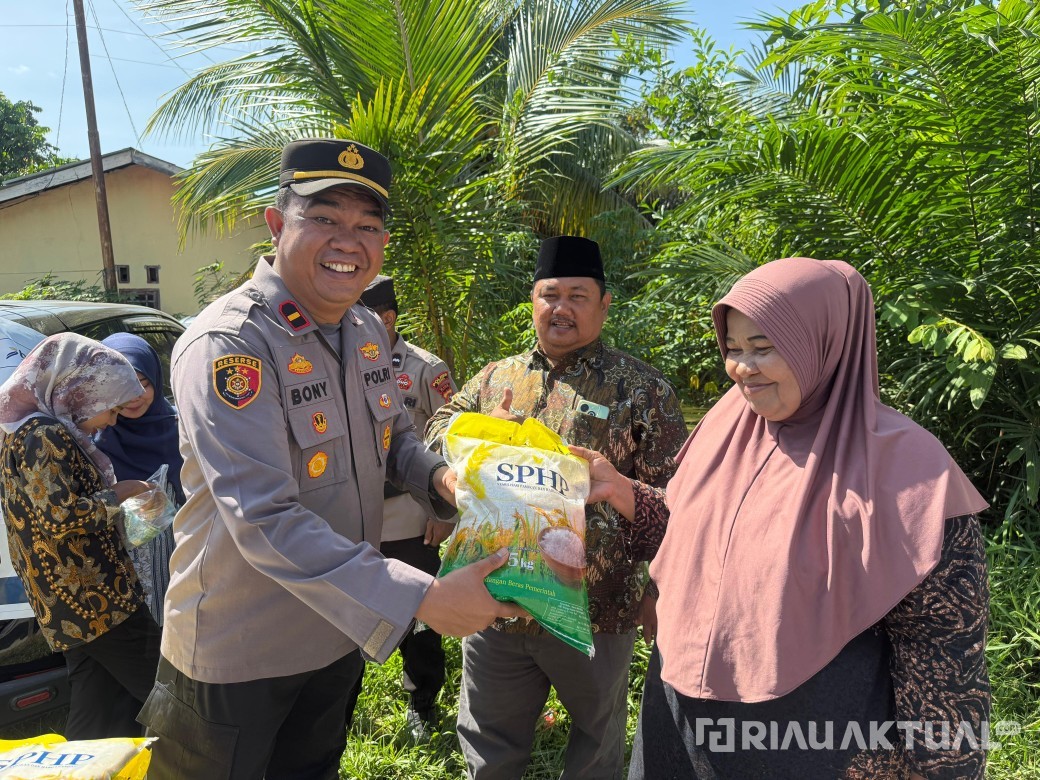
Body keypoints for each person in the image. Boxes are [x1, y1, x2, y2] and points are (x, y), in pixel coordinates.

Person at [138, 138, 524, 780]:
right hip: (239, 650)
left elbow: (396, 438)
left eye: (367, 226)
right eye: (324, 219)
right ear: (276, 223)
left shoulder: (365, 331)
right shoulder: (230, 344)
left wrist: (444, 479)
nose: (349, 241)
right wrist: (424, 599)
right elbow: (262, 517)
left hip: (336, 633)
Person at [630, 257, 991, 779]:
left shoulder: (908, 471)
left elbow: (945, 650)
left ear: (823, 344)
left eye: (763, 348)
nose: (741, 369)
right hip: (680, 725)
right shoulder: (727, 427)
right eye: (733, 348)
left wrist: (941, 768)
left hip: (813, 741)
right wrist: (618, 492)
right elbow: (691, 529)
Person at [425, 235, 688, 780]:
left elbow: (679, 502)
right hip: (497, 605)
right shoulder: (498, 377)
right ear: (533, 301)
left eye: (578, 295)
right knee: (488, 747)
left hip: (598, 610)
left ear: (604, 304)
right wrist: (470, 434)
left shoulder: (643, 390)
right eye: (550, 294)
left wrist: (659, 591)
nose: (561, 308)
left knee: (595, 750)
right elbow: (434, 436)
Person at [0, 332, 162, 739]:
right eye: (108, 408)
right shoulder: (43, 436)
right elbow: (59, 518)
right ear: (78, 392)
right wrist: (119, 494)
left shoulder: (26, 431)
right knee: (171, 698)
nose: (111, 420)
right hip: (97, 602)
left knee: (100, 712)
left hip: (71, 607)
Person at [343, 274, 458, 738]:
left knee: (422, 618)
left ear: (386, 319)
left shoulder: (427, 369)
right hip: (353, 521)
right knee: (346, 619)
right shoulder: (339, 362)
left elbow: (452, 441)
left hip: (412, 518)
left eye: (360, 314)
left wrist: (442, 514)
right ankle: (340, 709)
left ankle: (422, 702)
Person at [95, 333, 183, 627]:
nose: (134, 396)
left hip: (186, 565)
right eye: (123, 386)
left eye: (143, 384)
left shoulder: (183, 432)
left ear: (156, 381)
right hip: (120, 582)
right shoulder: (92, 441)